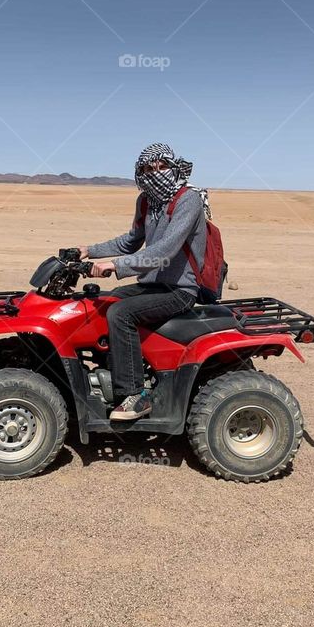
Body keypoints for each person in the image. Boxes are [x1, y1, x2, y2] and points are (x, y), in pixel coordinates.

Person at [77, 143, 206, 421]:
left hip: (180, 289)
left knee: (121, 313)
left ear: (172, 167)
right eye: (148, 169)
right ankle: (109, 373)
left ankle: (136, 396)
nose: (155, 173)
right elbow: (131, 241)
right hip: (152, 284)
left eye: (161, 167)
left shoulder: (188, 199)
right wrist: (89, 251)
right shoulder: (146, 200)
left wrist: (114, 266)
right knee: (104, 303)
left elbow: (164, 251)